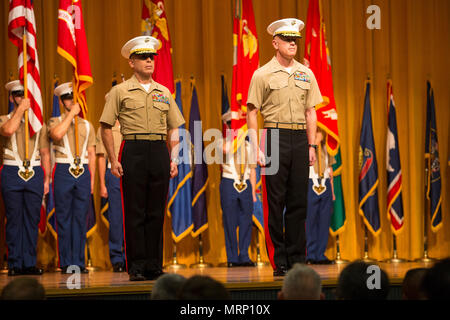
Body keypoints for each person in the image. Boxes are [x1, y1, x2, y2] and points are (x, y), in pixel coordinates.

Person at [99, 36, 185, 281]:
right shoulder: (120, 91)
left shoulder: (164, 92)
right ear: (131, 62)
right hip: (133, 149)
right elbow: (105, 126)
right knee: (135, 211)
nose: (149, 60)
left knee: (156, 211)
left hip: (159, 150)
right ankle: (136, 266)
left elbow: (175, 127)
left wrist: (174, 158)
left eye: (152, 57)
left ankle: (154, 265)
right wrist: (113, 159)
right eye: (143, 57)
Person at [246, 18, 322, 276]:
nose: (293, 43)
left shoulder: (307, 73)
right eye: (288, 39)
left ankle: (297, 259)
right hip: (273, 138)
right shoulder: (262, 74)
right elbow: (253, 113)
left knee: (299, 201)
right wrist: (256, 147)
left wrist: (311, 146)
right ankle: (279, 260)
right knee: (275, 202)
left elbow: (311, 112)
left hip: (300, 138)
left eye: (295, 40)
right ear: (275, 43)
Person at [0, 80, 50, 276]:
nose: (22, 97)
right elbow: (8, 130)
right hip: (12, 171)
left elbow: (45, 153)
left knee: (31, 219)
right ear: (12, 97)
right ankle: (14, 263)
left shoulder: (38, 123)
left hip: (35, 173)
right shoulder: (4, 118)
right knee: (14, 219)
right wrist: (21, 109)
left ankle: (29, 262)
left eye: (25, 94)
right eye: (18, 94)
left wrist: (46, 180)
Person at [48, 82, 96, 274]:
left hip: (82, 171)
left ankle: (79, 262)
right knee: (64, 218)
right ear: (62, 102)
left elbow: (91, 153)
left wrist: (91, 181)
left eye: (74, 97)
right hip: (63, 169)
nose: (71, 101)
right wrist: (71, 115)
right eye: (67, 98)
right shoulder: (54, 121)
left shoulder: (87, 125)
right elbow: (57, 134)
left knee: (80, 218)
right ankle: (66, 262)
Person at [220, 109, 256, 267]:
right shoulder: (223, 141)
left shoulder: (249, 145)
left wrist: (253, 192)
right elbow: (225, 150)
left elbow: (253, 169)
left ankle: (244, 256)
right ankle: (232, 258)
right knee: (230, 221)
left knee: (246, 221)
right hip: (229, 182)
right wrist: (235, 135)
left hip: (246, 183)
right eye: (230, 124)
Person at [96, 119, 125, 272]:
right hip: (113, 174)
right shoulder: (105, 127)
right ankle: (117, 258)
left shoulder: (132, 122)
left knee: (133, 216)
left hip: (132, 171)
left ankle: (131, 256)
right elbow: (101, 157)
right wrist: (102, 184)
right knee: (116, 218)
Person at [306, 128, 335, 265]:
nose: (321, 134)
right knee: (310, 221)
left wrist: (333, 192)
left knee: (324, 222)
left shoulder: (326, 149)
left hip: (325, 185)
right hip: (311, 184)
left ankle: (320, 254)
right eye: (318, 131)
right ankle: (310, 254)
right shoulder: (306, 149)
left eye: (322, 132)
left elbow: (330, 171)